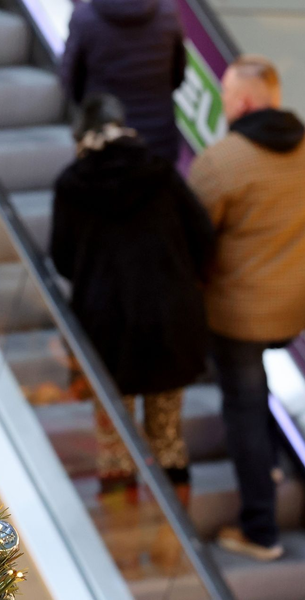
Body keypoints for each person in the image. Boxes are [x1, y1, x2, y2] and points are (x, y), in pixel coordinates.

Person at [51, 95, 215, 504]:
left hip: (106, 332)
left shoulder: (72, 184)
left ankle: (125, 552)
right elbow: (204, 238)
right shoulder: (161, 173)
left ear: (81, 135)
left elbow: (63, 258)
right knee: (167, 436)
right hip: (169, 320)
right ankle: (172, 551)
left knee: (113, 443)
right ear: (123, 127)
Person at [189, 55, 305, 561]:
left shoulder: (222, 161)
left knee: (244, 407)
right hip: (292, 307)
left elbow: (192, 243)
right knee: (259, 392)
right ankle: (277, 462)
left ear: (245, 101)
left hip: (237, 315)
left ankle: (261, 530)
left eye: (228, 94)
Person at [61, 0, 187, 163]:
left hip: (104, 143)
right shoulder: (167, 11)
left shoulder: (84, 17)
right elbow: (178, 75)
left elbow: (70, 82)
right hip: (158, 142)